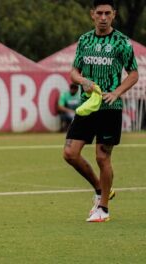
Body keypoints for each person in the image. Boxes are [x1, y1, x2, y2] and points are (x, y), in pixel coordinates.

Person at [63, 0, 138, 222]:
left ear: (114, 15)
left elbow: (133, 74)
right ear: (92, 15)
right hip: (87, 105)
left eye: (107, 13)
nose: (103, 17)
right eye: (99, 13)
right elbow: (74, 71)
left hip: (110, 107)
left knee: (102, 157)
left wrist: (116, 92)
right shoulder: (85, 40)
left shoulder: (122, 42)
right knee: (70, 153)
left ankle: (103, 209)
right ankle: (100, 189)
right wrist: (82, 80)